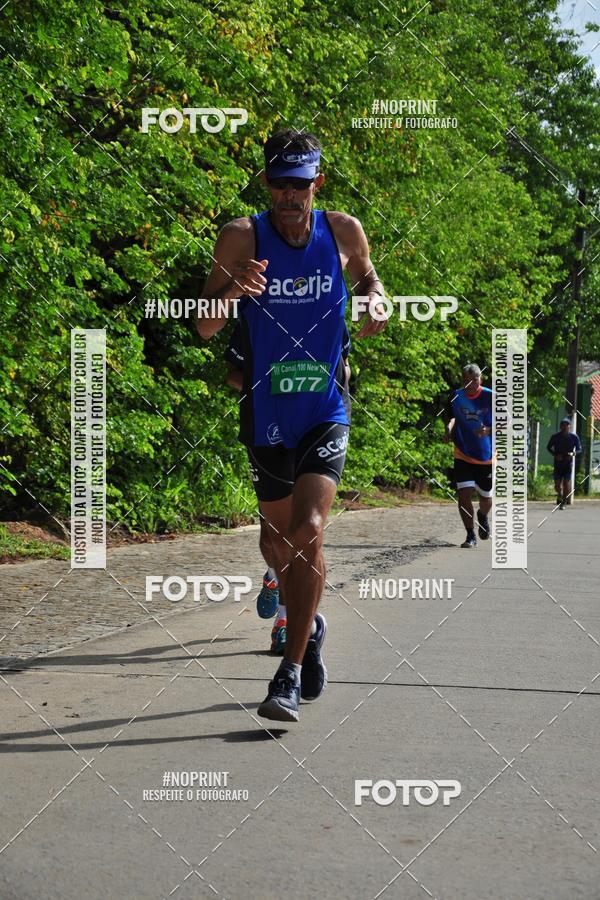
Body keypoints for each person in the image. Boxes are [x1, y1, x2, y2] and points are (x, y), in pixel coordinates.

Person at [197, 129, 386, 722]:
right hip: (267, 410)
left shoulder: (343, 230)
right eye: (279, 183)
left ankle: (289, 671)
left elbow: (368, 279)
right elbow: (203, 326)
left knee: (309, 528)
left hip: (324, 406)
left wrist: (375, 300)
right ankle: (311, 624)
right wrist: (233, 289)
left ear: (316, 184)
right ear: (266, 184)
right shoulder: (240, 236)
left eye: (299, 184)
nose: (289, 195)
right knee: (280, 545)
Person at [224, 321, 352, 655]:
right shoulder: (256, 313)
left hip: (316, 428)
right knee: (273, 537)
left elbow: (346, 372)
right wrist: (272, 389)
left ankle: (286, 621)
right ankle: (273, 573)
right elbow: (234, 374)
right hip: (269, 427)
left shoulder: (326, 310)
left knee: (307, 529)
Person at [443, 364, 493, 549]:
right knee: (464, 494)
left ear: (481, 379)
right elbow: (452, 417)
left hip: (486, 454)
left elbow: (508, 421)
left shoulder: (491, 396)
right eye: (466, 380)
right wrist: (448, 429)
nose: (470, 384)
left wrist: (489, 429)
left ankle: (482, 515)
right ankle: (470, 534)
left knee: (486, 498)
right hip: (462, 451)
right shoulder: (456, 396)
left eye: (474, 380)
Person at [546, 418, 582, 509]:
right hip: (558, 463)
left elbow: (579, 449)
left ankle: (564, 501)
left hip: (568, 463)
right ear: (560, 426)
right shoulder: (555, 437)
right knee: (558, 484)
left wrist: (573, 453)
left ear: (569, 426)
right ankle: (559, 494)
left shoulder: (574, 437)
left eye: (566, 425)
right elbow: (548, 447)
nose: (564, 427)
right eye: (563, 425)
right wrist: (555, 455)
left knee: (566, 483)